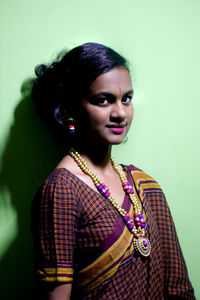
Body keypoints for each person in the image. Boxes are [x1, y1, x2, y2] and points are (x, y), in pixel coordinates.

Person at [31, 42, 195, 299]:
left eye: (126, 99)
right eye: (103, 100)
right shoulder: (62, 190)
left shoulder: (144, 185)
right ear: (71, 109)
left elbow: (178, 287)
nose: (120, 113)